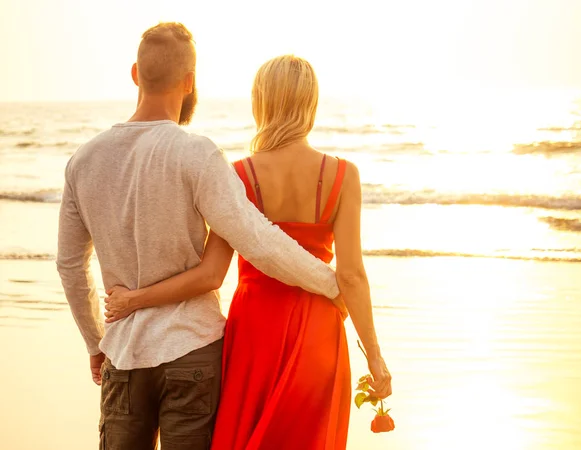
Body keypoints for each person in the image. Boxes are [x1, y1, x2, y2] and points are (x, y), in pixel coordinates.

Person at [56, 24, 344, 450]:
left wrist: (95, 342)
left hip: (123, 354)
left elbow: (70, 266)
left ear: (135, 73)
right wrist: (332, 284)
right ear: (189, 81)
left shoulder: (84, 161)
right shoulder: (197, 153)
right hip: (192, 351)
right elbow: (256, 239)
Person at [104, 54, 392, 449]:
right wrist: (374, 356)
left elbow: (212, 272)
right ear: (310, 104)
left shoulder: (238, 174)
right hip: (318, 331)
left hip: (254, 330)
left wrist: (137, 299)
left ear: (261, 102)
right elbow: (352, 276)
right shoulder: (343, 176)